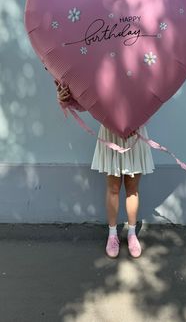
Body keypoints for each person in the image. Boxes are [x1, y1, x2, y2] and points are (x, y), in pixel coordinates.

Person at [54, 79, 155, 259]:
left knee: (132, 188)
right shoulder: (101, 62)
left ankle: (132, 234)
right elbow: (87, 99)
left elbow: (151, 96)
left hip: (135, 129)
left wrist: (136, 120)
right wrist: (67, 98)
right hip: (110, 130)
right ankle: (113, 235)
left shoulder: (138, 61)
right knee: (113, 188)